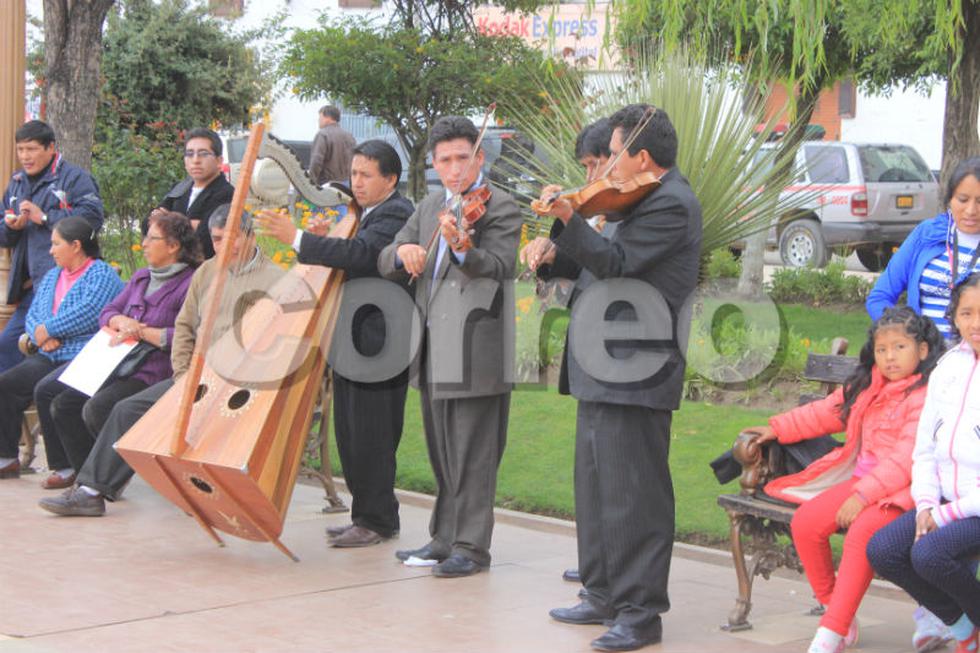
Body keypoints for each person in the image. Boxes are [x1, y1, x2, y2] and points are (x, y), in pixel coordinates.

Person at [530, 104, 702, 651]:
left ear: (642, 156)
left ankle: (639, 612)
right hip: (602, 365)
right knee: (597, 485)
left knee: (634, 495)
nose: (606, 166)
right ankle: (602, 591)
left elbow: (619, 263)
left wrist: (568, 219)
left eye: (615, 153)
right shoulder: (636, 198)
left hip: (636, 367)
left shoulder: (671, 203)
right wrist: (551, 257)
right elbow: (596, 259)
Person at [38, 205, 284, 516]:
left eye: (228, 239)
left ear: (249, 236)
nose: (222, 247)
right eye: (216, 239)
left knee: (116, 406)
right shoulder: (209, 272)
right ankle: (92, 490)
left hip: (237, 385)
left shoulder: (275, 279)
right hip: (193, 376)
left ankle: (97, 486)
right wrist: (183, 374)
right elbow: (183, 327)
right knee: (120, 409)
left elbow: (273, 345)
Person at [744, 307, 945, 653]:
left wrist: (863, 496)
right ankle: (837, 609)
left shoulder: (926, 395)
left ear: (922, 350)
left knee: (863, 534)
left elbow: (904, 460)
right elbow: (826, 411)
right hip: (862, 483)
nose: (890, 358)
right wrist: (777, 427)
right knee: (807, 523)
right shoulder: (867, 386)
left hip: (904, 492)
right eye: (882, 350)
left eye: (900, 348)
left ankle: (830, 634)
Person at [378, 115, 522, 578]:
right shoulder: (429, 206)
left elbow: (498, 265)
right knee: (442, 452)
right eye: (445, 160)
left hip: (477, 353)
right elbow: (387, 256)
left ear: (480, 158)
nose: (455, 168)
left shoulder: (500, 206)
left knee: (474, 456)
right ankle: (443, 538)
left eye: (464, 157)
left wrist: (463, 248)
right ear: (434, 163)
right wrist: (404, 253)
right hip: (432, 347)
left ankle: (471, 547)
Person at [255, 139, 414, 547]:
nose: (355, 183)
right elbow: (345, 255)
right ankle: (366, 514)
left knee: (373, 435)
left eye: (365, 175)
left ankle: (378, 520)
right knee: (350, 431)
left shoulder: (397, 213)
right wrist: (320, 241)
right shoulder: (362, 214)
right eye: (354, 174)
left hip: (380, 342)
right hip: (352, 340)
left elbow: (361, 254)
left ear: (390, 180)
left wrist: (299, 238)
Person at [32, 211, 200, 491]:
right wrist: (120, 320)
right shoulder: (142, 277)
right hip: (115, 360)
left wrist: (141, 332)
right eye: (145, 236)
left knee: (97, 408)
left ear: (173, 246)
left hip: (152, 370)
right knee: (61, 402)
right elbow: (107, 311)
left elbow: (188, 336)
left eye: (152, 238)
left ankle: (98, 482)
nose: (144, 243)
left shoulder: (191, 283)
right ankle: (86, 475)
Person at [867, 272, 980, 653]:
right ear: (956, 317)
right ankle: (964, 627)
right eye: (967, 313)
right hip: (945, 499)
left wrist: (944, 516)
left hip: (975, 507)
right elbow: (925, 447)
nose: (975, 323)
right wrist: (927, 504)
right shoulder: (949, 365)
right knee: (883, 549)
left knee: (928, 554)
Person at [0, 217, 122, 479]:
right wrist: (40, 333)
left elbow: (90, 312)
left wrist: (50, 330)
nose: (51, 250)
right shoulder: (53, 275)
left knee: (46, 390)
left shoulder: (101, 274)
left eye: (56, 244)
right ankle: (6, 457)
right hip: (49, 352)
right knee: (6, 384)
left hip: (81, 354)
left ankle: (64, 466)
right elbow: (34, 314)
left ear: (76, 245)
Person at [0, 120, 104, 372]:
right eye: (21, 149)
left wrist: (45, 217)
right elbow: (2, 236)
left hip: (69, 286)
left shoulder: (75, 178)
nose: (25, 156)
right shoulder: (16, 183)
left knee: (50, 354)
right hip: (30, 290)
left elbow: (92, 220)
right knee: (7, 348)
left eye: (32, 149)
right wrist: (11, 227)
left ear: (50, 148)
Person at [867, 157, 980, 340]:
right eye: (963, 199)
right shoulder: (927, 235)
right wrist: (905, 339)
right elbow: (880, 298)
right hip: (923, 362)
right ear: (949, 199)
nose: (971, 210)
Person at [152, 127, 235, 260]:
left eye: (203, 153)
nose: (195, 160)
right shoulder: (180, 188)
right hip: (171, 269)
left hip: (203, 270)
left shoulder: (226, 193)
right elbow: (148, 224)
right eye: (190, 154)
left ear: (219, 161)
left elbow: (205, 238)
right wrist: (190, 225)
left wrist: (166, 222)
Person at [309, 105, 356, 186]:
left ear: (327, 117)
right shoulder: (349, 136)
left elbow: (316, 160)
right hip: (348, 184)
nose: (318, 121)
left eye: (320, 118)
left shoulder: (323, 134)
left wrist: (310, 182)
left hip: (328, 185)